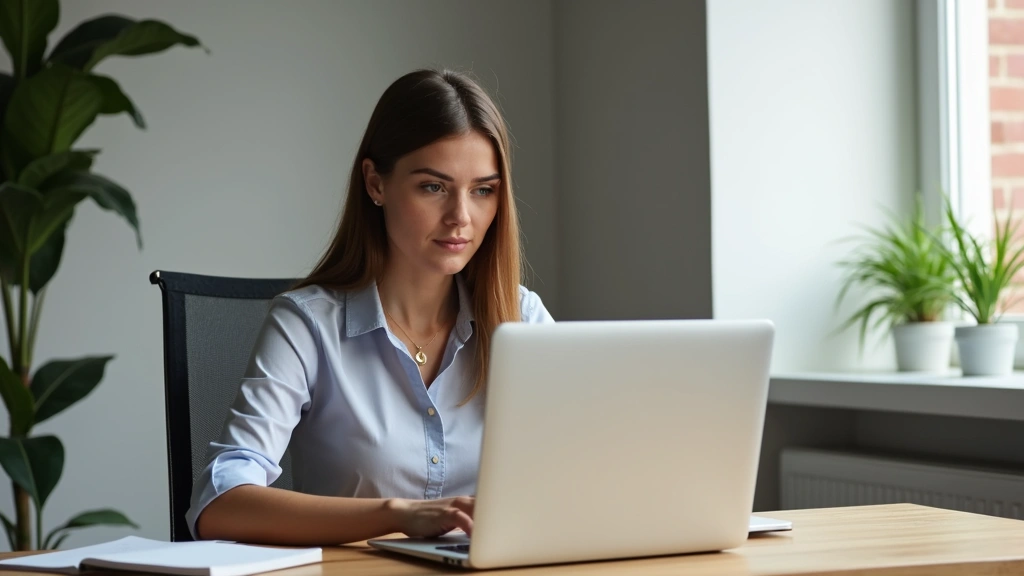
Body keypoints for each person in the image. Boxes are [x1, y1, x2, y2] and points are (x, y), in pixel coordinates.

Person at [187, 69, 553, 546]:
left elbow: (588, 471)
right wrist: (399, 514)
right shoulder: (306, 326)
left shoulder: (521, 320)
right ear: (375, 183)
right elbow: (219, 504)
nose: (461, 217)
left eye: (483, 190)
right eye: (433, 187)